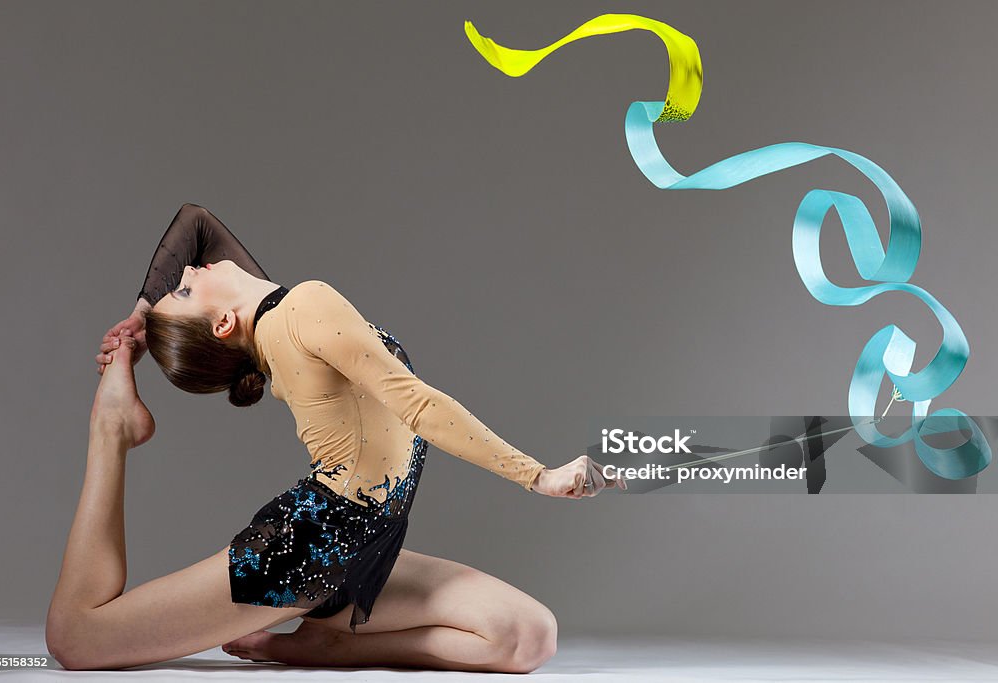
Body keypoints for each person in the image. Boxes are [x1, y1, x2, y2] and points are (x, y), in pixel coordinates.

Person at [46, 203, 625, 672]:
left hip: (370, 544)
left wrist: (143, 313)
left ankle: (330, 645)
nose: (189, 272)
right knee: (78, 639)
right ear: (223, 325)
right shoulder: (302, 309)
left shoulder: (281, 318)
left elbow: (195, 223)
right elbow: (418, 403)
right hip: (307, 547)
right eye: (184, 292)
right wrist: (537, 475)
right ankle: (112, 429)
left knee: (526, 637)